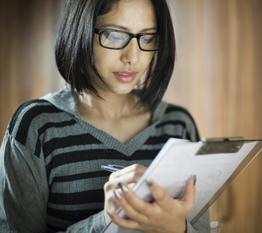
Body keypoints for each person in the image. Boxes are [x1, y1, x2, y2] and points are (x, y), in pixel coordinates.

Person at [0, 0, 210, 232]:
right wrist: (105, 220)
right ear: (79, 31)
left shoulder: (178, 126)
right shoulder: (36, 126)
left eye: (148, 37)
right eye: (114, 35)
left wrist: (177, 228)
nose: (132, 57)